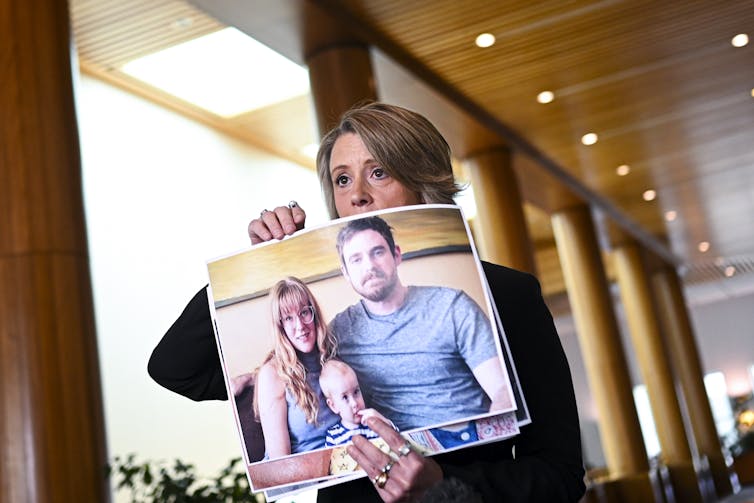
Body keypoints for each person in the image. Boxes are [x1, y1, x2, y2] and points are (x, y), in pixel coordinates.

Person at [148, 102, 586, 502]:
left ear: (423, 180)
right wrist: (251, 264)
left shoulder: (505, 297)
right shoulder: (328, 332)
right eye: (342, 179)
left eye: (379, 172)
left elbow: (559, 475)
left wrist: (445, 489)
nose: (356, 193)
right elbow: (177, 369)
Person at [332, 215, 512, 432]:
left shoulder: (452, 306)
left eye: (377, 252)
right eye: (356, 260)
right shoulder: (339, 332)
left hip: (469, 441)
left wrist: (495, 435)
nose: (369, 266)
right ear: (346, 273)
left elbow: (502, 388)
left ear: (396, 255)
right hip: (399, 452)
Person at [253, 277, 338, 458]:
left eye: (304, 313)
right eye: (288, 318)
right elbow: (280, 460)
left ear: (314, 313)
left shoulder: (333, 357)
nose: (300, 326)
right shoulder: (272, 374)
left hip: (343, 466)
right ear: (280, 326)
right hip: (302, 476)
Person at [318, 359, 394, 447]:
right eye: (345, 397)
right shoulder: (334, 437)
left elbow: (398, 441)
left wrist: (385, 423)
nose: (354, 403)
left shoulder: (374, 424)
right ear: (333, 406)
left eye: (356, 392)